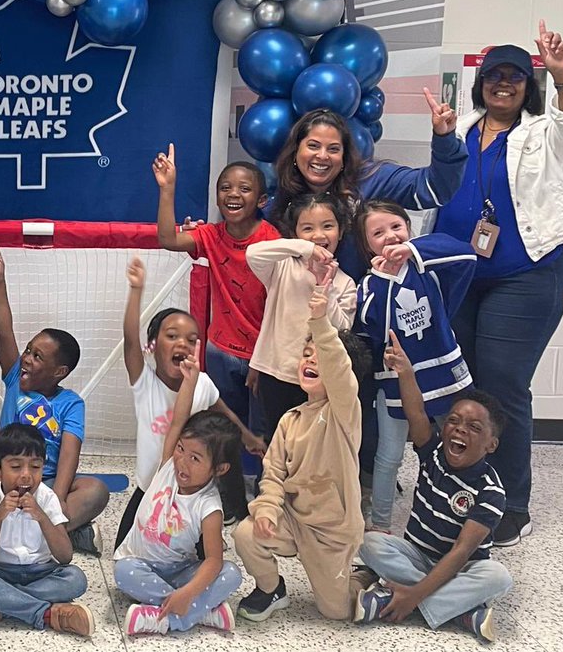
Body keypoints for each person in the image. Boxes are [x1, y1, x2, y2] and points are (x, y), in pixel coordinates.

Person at [435, 24, 563, 546]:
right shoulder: (461, 131)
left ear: (529, 86)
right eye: (495, 76)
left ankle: (511, 504)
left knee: (502, 387)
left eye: (516, 78)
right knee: (463, 386)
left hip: (525, 277)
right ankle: (462, 489)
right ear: (481, 83)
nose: (504, 84)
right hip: (461, 276)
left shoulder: (541, 131)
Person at [353, 333, 513, 644]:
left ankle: (396, 599)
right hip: (417, 555)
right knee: (368, 541)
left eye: (474, 427)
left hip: (461, 567)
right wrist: (406, 372)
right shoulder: (434, 452)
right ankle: (462, 612)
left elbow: (461, 552)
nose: (460, 429)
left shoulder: (491, 491)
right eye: (454, 421)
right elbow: (416, 413)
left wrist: (413, 596)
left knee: (498, 577)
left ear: (491, 445)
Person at [233, 272, 371, 623]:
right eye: (306, 354)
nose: (311, 361)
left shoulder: (343, 413)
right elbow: (274, 474)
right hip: (293, 520)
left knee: (337, 612)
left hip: (332, 532)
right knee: (246, 533)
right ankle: (271, 589)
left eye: (319, 357)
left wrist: (320, 322)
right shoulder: (290, 420)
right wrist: (265, 510)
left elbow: (339, 369)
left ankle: (365, 577)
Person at [153, 148, 280, 515]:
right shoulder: (211, 235)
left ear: (261, 199)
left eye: (244, 188)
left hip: (262, 356)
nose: (233, 194)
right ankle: (231, 501)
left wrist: (262, 359)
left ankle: (265, 504)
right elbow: (167, 239)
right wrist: (167, 189)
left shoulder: (272, 242)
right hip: (221, 351)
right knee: (225, 431)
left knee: (261, 433)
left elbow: (279, 310)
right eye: (225, 187)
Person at [0, 243, 110, 556]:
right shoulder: (16, 379)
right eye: (28, 350)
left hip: (48, 480)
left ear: (59, 371)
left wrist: (54, 501)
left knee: (96, 490)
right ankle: (64, 533)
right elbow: (3, 331)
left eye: (37, 356)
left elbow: (69, 455)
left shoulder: (71, 403)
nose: (26, 358)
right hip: (5, 477)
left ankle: (43, 530)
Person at [114, 256, 265, 549]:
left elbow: (222, 411)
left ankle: (232, 513)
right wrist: (136, 290)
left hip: (191, 492)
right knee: (126, 550)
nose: (182, 343)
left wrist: (247, 437)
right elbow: (130, 339)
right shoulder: (146, 383)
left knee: (193, 556)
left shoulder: (201, 383)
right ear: (153, 346)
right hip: (151, 487)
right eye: (172, 336)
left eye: (191, 338)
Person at [356, 200, 477, 532]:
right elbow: (375, 333)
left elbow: (466, 254)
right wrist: (384, 279)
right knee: (389, 456)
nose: (390, 236)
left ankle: (459, 513)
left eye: (396, 227)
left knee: (456, 444)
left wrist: (412, 249)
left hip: (444, 376)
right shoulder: (368, 285)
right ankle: (380, 525)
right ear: (367, 245)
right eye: (377, 233)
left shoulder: (429, 267)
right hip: (394, 384)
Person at [115, 341, 243, 636]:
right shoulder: (169, 467)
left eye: (195, 458)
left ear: (220, 469)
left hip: (181, 570)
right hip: (141, 564)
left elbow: (213, 561)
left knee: (231, 575)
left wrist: (188, 591)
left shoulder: (209, 505)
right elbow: (178, 422)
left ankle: (168, 617)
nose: (182, 460)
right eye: (182, 449)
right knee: (123, 572)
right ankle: (203, 612)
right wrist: (191, 380)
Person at [270, 90, 466, 278]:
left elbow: (436, 188)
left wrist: (444, 139)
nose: (322, 156)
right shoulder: (283, 197)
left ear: (344, 156)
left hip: (364, 301)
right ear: (296, 151)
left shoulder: (374, 179)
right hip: (305, 302)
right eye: (313, 146)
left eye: (333, 148)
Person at [0, 424, 94, 637]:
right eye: (15, 467)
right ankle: (47, 614)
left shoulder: (47, 497)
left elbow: (65, 556)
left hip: (41, 572)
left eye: (35, 467)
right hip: (0, 572)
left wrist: (41, 516)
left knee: (76, 578)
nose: (26, 476)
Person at [245, 193, 357, 442]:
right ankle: (272, 482)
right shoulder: (283, 265)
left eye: (328, 226)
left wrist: (321, 286)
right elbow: (253, 253)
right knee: (276, 441)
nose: (319, 235)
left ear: (340, 231)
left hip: (320, 379)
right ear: (295, 234)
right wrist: (305, 249)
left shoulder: (345, 283)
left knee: (312, 445)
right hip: (277, 373)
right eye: (308, 228)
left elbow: (342, 329)